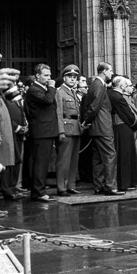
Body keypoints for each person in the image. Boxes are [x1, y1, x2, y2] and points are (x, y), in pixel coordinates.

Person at [80, 62, 124, 195]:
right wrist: (86, 121)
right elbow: (94, 106)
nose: (111, 73)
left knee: (98, 157)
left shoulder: (96, 84)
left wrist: (88, 122)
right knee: (110, 155)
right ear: (104, 71)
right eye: (110, 70)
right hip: (102, 126)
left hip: (97, 127)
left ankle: (99, 186)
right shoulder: (99, 84)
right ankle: (110, 186)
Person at [25, 63, 59, 202]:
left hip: (47, 130)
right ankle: (38, 191)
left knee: (44, 162)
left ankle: (39, 190)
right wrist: (51, 86)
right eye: (46, 75)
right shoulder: (34, 89)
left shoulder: (43, 88)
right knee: (40, 162)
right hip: (41, 131)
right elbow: (47, 100)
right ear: (37, 76)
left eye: (50, 75)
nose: (49, 78)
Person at [107, 76, 137, 192]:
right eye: (125, 85)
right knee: (125, 155)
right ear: (121, 86)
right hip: (122, 128)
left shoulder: (109, 94)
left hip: (115, 127)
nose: (127, 87)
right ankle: (125, 183)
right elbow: (128, 115)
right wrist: (135, 126)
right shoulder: (118, 97)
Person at [54, 64, 81, 196]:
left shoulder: (73, 92)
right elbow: (58, 112)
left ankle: (71, 184)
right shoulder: (59, 92)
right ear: (64, 78)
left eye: (75, 77)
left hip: (76, 128)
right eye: (70, 76)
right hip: (66, 127)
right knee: (64, 160)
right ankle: (61, 187)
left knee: (73, 160)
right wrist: (61, 131)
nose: (73, 79)